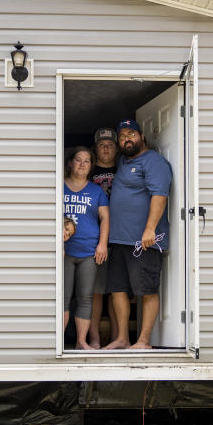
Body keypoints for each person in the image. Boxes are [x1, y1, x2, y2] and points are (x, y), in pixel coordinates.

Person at [102, 119, 172, 350]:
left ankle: (143, 341)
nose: (126, 139)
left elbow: (159, 196)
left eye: (131, 134)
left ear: (142, 136)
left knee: (146, 290)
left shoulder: (154, 162)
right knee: (117, 289)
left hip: (143, 241)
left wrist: (150, 228)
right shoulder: (123, 161)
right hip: (119, 239)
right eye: (122, 137)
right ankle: (123, 338)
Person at [62, 147, 109, 350]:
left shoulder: (96, 190)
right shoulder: (57, 187)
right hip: (63, 251)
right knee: (62, 297)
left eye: (87, 161)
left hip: (89, 251)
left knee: (85, 297)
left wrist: (102, 244)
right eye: (78, 160)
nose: (82, 164)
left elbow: (105, 218)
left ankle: (81, 341)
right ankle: (59, 341)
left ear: (91, 166)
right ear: (70, 163)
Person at [88, 127, 119, 348]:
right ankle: (94, 337)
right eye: (101, 145)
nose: (106, 148)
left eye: (109, 144)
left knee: (118, 290)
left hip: (121, 236)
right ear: (95, 148)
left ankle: (120, 338)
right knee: (96, 291)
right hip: (94, 237)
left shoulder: (125, 168)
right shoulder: (88, 172)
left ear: (116, 148)